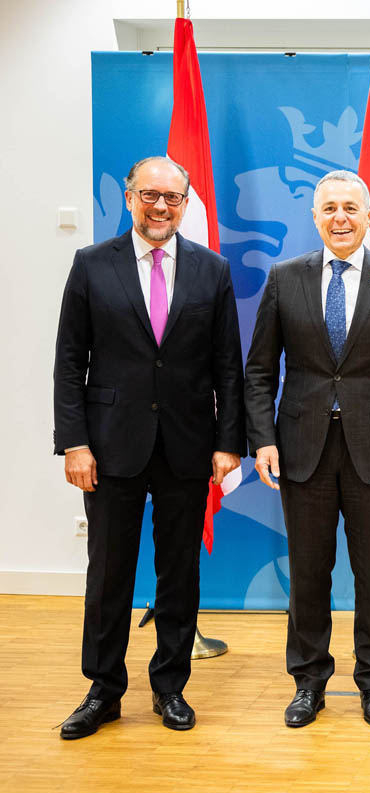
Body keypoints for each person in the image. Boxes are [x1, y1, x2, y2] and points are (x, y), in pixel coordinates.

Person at [52, 156, 245, 738]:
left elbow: (227, 365)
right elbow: (69, 363)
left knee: (179, 573)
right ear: (130, 198)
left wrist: (228, 442)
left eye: (172, 197)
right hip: (110, 447)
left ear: (185, 203)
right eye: (150, 195)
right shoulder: (92, 264)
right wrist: (74, 443)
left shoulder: (212, 269)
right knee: (108, 573)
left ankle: (170, 688)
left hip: (188, 445)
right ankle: (103, 690)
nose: (161, 207)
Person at [243, 169, 370, 728]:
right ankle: (308, 682)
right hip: (301, 449)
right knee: (308, 573)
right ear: (314, 217)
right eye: (329, 208)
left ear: (369, 215)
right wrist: (263, 439)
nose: (340, 218)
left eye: (351, 208)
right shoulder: (285, 278)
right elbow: (259, 372)